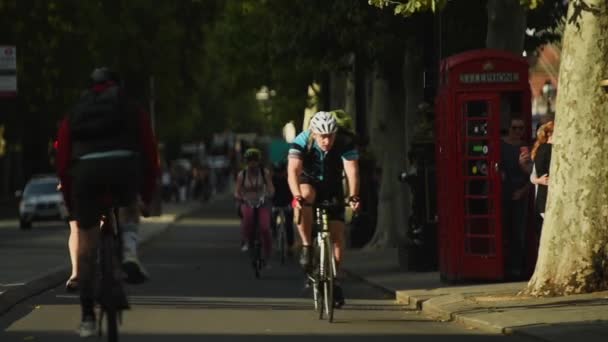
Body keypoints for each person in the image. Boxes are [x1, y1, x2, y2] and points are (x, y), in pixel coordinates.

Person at [55, 67, 160, 337]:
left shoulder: (76, 111)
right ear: (118, 85)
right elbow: (150, 154)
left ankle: (88, 316)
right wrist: (144, 198)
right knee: (128, 208)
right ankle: (128, 250)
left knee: (87, 245)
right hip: (124, 167)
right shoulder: (131, 107)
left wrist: (72, 203)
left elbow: (63, 159)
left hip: (86, 175)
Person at [288, 111, 361, 308]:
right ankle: (306, 245)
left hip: (333, 185)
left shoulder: (345, 142)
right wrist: (296, 197)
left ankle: (334, 280)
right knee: (306, 195)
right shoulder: (303, 140)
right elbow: (293, 171)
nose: (326, 140)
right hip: (308, 181)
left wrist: (353, 196)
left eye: (330, 136)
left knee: (337, 237)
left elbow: (352, 170)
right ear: (314, 133)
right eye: (322, 136)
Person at [500, 117, 532, 280]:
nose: (518, 132)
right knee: (502, 230)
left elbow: (534, 176)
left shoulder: (526, 148)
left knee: (518, 232)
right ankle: (501, 267)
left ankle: (516, 269)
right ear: (509, 129)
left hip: (520, 193)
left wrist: (523, 191)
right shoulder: (500, 146)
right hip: (501, 193)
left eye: (521, 128)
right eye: (515, 128)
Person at [234, 148, 275, 262]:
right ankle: (247, 241)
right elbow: (237, 190)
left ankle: (267, 251)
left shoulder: (264, 172)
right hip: (247, 202)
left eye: (255, 160)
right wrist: (239, 197)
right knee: (247, 221)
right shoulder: (242, 175)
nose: (253, 163)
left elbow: (271, 187)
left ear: (259, 161)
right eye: (250, 161)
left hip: (262, 202)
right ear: (246, 162)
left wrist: (270, 194)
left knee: (265, 228)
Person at [530, 121, 554, 229]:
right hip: (547, 198)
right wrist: (539, 180)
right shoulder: (549, 150)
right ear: (550, 134)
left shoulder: (540, 149)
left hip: (541, 199)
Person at [271, 161, 295, 255]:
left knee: (289, 225)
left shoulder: (289, 179)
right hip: (275, 204)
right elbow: (269, 193)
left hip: (287, 204)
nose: (279, 174)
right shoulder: (272, 180)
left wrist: (292, 205)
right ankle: (275, 237)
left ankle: (290, 246)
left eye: (281, 172)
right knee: (271, 221)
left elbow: (294, 195)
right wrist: (271, 205)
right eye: (277, 172)